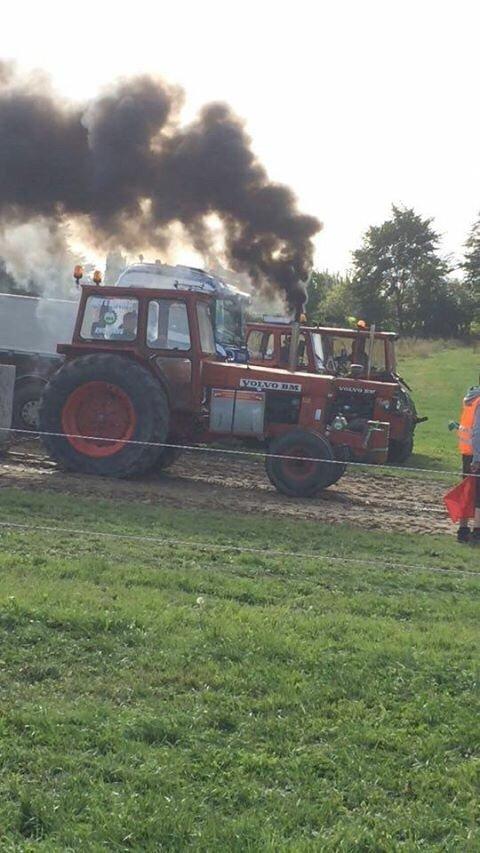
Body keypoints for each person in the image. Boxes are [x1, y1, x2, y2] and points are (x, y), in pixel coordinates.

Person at [457, 384, 480, 544]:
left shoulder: (472, 399)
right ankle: (477, 532)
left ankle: (463, 530)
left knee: (467, 492)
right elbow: (478, 432)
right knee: (477, 496)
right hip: (476, 455)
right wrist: (477, 459)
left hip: (467, 453)